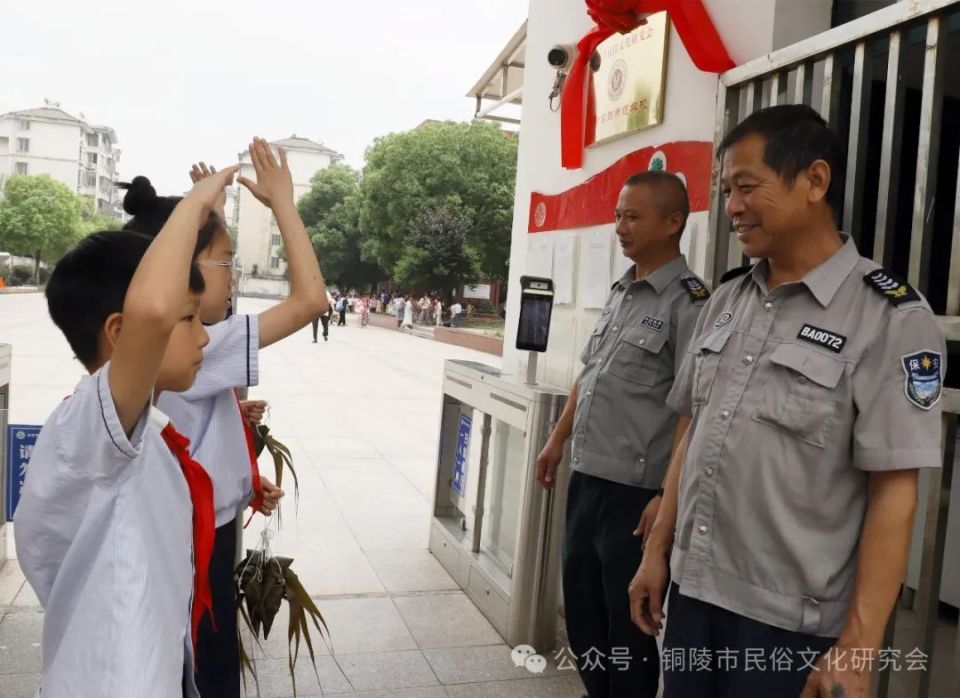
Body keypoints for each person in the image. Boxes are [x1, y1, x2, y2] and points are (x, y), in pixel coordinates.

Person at [628, 105, 946, 698]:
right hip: (693, 596)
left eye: (747, 187)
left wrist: (856, 648)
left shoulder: (889, 318)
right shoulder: (725, 301)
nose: (732, 207)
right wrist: (656, 551)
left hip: (788, 627)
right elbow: (692, 433)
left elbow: (895, 492)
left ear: (815, 182)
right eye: (726, 191)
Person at [14, 168, 238, 697]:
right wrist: (198, 205)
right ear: (121, 332)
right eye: (189, 319)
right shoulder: (93, 432)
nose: (205, 336)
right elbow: (153, 307)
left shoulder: (143, 432)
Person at [123, 139, 328, 697]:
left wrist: (241, 468)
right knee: (206, 674)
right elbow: (312, 299)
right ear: (181, 271)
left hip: (196, 528)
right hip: (195, 541)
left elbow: (190, 425)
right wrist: (283, 203)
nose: (234, 274)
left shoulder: (166, 342)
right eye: (225, 262)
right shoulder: (197, 340)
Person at [535, 170, 705, 698]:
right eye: (618, 215)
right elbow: (591, 374)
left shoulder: (690, 303)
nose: (620, 227)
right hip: (587, 477)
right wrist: (558, 439)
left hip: (635, 497)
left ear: (673, 222)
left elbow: (693, 409)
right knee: (583, 614)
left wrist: (664, 498)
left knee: (627, 624)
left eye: (632, 216)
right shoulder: (622, 291)